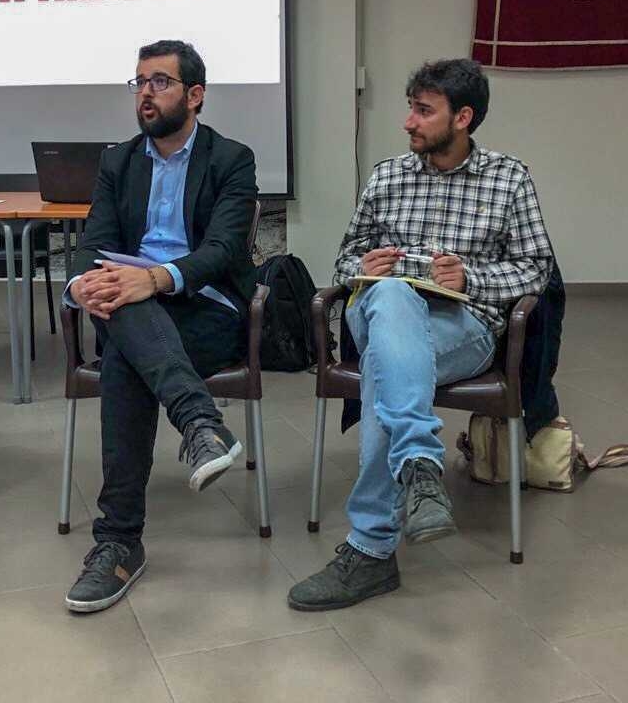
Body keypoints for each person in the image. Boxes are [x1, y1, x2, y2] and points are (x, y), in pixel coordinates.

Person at [287, 58, 553, 611]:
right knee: (389, 298)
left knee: (387, 370)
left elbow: (537, 269)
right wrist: (369, 265)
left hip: (463, 326)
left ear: (463, 118)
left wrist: (471, 276)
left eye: (422, 111)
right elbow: (342, 260)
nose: (408, 121)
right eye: (410, 107)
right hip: (380, 312)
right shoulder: (386, 176)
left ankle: (371, 553)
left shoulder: (509, 179)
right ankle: (418, 464)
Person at [63, 39, 258, 614]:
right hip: (132, 304)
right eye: (140, 82)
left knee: (126, 349)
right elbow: (93, 244)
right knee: (126, 324)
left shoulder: (231, 158)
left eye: (160, 82)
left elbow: (223, 250)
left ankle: (119, 542)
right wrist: (81, 288)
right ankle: (200, 423)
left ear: (195, 95)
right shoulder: (117, 161)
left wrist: (158, 278)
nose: (146, 93)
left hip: (205, 305)